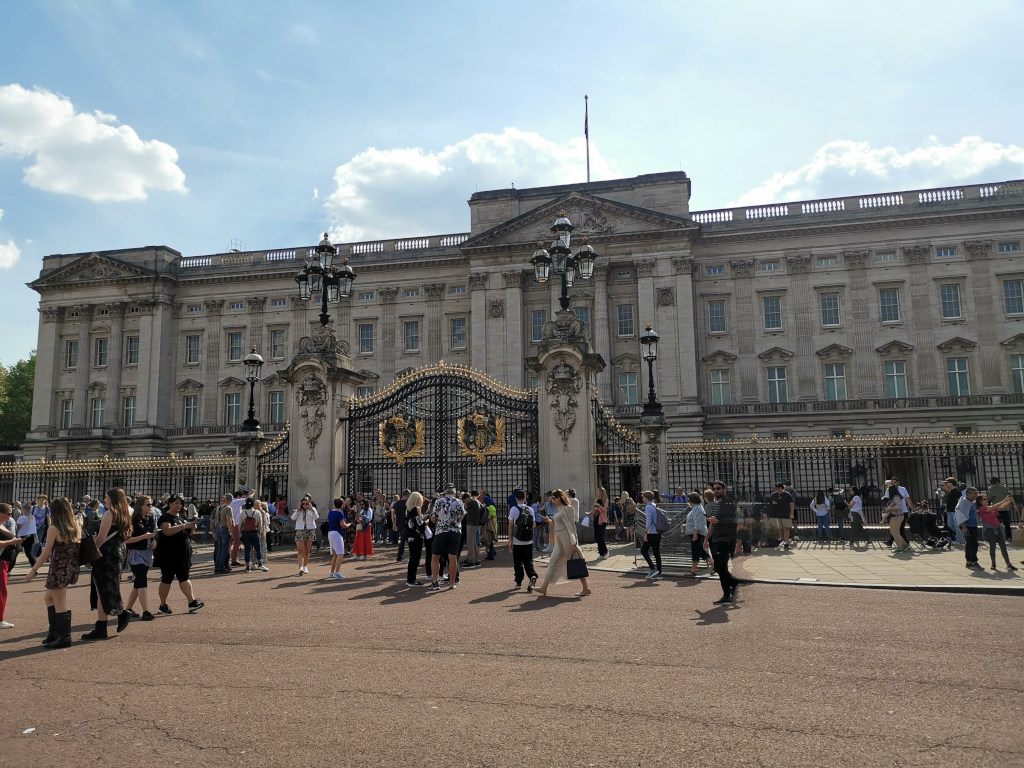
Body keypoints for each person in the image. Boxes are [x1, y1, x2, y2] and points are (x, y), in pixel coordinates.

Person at [25, 497, 81, 648]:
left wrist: (33, 571)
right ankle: (55, 633)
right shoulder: (75, 525)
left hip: (58, 568)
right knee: (49, 598)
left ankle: (64, 637)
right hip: (70, 566)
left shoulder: (54, 528)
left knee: (60, 602)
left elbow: (45, 553)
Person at [80, 488, 132, 641]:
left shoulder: (110, 513)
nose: (105, 499)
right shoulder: (125, 513)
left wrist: (90, 555)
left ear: (113, 498)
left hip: (107, 553)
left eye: (107, 497)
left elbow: (101, 538)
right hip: (118, 551)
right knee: (108, 587)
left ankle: (119, 614)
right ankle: (101, 626)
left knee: (103, 588)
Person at [535, 489, 590, 597]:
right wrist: (550, 521)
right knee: (553, 561)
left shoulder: (568, 508)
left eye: (554, 498)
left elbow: (571, 527)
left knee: (575, 561)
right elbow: (558, 523)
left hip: (567, 538)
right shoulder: (558, 509)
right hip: (559, 538)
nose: (553, 501)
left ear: (559, 498)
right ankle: (544, 587)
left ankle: (586, 588)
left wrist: (574, 543)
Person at [155, 495, 205, 615]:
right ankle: (163, 604)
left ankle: (191, 602)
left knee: (184, 577)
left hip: (182, 552)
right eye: (176, 503)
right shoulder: (165, 517)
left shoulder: (181, 516)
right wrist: (184, 526)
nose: (179, 505)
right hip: (169, 553)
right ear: (170, 504)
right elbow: (167, 531)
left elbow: (187, 533)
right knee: (167, 579)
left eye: (180, 503)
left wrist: (192, 527)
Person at [121, 494, 159, 622]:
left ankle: (127, 609)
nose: (150, 507)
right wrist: (145, 537)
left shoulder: (149, 518)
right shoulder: (134, 520)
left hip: (147, 552)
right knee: (142, 581)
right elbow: (127, 539)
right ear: (140, 506)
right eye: (148, 504)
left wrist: (154, 540)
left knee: (138, 583)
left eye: (151, 504)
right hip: (135, 553)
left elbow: (153, 533)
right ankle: (146, 611)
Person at [706, 480, 739, 605]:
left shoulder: (729, 503)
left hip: (726, 539)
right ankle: (730, 589)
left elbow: (733, 521)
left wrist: (718, 522)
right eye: (714, 489)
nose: (716, 491)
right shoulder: (715, 505)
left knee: (719, 567)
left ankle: (731, 589)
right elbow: (712, 524)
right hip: (716, 539)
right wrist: (705, 539)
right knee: (721, 567)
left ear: (724, 490)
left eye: (718, 488)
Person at [427, 483, 465, 592]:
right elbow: (462, 517)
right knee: (452, 557)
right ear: (454, 492)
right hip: (455, 531)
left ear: (445, 491)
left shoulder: (439, 501)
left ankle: (435, 582)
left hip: (441, 531)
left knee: (435, 557)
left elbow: (433, 518)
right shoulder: (459, 502)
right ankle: (452, 583)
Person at [976, 492, 1017, 571]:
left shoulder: (990, 508)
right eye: (984, 499)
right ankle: (993, 564)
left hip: (997, 527)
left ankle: (1008, 564)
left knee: (1003, 546)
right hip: (990, 529)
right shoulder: (981, 509)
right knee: (993, 546)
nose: (986, 500)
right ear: (980, 502)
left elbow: (1000, 507)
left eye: (986, 499)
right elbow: (994, 507)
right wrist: (1005, 500)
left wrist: (1009, 501)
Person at [508, 489, 539, 591]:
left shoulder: (513, 509)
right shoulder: (530, 509)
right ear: (525, 498)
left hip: (517, 540)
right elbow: (534, 525)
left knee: (518, 562)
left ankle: (519, 581)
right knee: (528, 561)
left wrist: (510, 540)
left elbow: (511, 525)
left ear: (516, 498)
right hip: (528, 540)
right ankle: (532, 576)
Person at [0, 504, 23, 629]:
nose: (11, 516)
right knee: (1, 590)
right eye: (8, 513)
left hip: (5, 562)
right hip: (1, 562)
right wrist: (12, 542)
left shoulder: (2, 525)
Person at [684, 492, 711, 576]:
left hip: (696, 533)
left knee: (695, 551)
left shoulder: (696, 509)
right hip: (700, 532)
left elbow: (697, 522)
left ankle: (693, 569)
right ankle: (714, 566)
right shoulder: (699, 507)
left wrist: (695, 533)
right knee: (701, 552)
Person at [954, 487, 982, 570]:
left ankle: (969, 561)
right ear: (968, 494)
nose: (975, 495)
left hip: (973, 525)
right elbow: (960, 514)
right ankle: (974, 562)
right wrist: (963, 526)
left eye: (976, 493)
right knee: (973, 544)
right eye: (973, 493)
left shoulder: (971, 502)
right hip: (967, 526)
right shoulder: (963, 502)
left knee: (969, 544)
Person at [291, 495, 319, 575]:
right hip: (300, 531)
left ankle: (305, 566)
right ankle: (300, 567)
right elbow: (293, 518)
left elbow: (316, 517)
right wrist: (298, 509)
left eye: (306, 503)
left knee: (307, 550)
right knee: (300, 550)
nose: (305, 505)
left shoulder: (312, 510)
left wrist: (311, 509)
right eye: (303, 504)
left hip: (310, 531)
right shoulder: (298, 511)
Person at [239, 498, 269, 573]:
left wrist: (240, 533)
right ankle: (260, 563)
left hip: (246, 533)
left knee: (247, 550)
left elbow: (240, 525)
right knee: (258, 549)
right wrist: (259, 532)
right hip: (255, 533)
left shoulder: (243, 513)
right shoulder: (257, 512)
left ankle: (248, 566)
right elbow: (260, 524)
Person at [640, 491, 663, 580]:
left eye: (643, 497)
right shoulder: (654, 505)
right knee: (656, 553)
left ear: (646, 498)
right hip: (657, 532)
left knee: (643, 550)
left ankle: (653, 569)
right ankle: (659, 572)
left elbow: (648, 521)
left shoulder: (648, 507)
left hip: (652, 532)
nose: (642, 499)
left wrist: (645, 533)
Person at [883, 481, 911, 553]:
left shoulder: (896, 497)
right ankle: (904, 545)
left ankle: (899, 547)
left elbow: (899, 507)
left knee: (895, 533)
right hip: (894, 516)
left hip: (897, 517)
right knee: (895, 532)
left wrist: (889, 508)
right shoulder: (892, 498)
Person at [765, 482, 795, 549]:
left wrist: (792, 513)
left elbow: (792, 504)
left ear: (782, 488)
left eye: (779, 488)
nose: (778, 490)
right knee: (778, 529)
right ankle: (778, 541)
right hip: (776, 514)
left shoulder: (787, 494)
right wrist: (772, 504)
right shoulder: (773, 495)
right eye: (777, 488)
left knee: (786, 528)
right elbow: (769, 505)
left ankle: (786, 542)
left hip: (785, 513)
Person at [327, 497, 351, 580]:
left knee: (335, 554)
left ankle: (332, 572)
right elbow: (343, 525)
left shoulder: (331, 512)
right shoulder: (340, 513)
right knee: (340, 553)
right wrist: (349, 525)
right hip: (337, 533)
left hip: (330, 532)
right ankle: (337, 572)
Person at [985, 477, 1014, 542]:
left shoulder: (1003, 488)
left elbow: (1010, 497)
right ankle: (1002, 537)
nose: (994, 485)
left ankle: (1007, 537)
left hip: (1002, 508)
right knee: (997, 524)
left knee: (1005, 524)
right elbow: (989, 499)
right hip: (997, 509)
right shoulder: (992, 489)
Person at [212, 494, 234, 573]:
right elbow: (229, 521)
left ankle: (217, 566)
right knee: (225, 550)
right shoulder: (228, 508)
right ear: (230, 500)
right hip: (225, 529)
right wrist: (231, 531)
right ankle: (221, 567)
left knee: (220, 549)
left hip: (218, 528)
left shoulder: (218, 508)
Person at [462, 491, 484, 569]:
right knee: (473, 542)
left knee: (470, 542)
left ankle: (472, 561)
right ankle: (476, 559)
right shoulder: (476, 501)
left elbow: (463, 507)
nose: (465, 502)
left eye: (465, 500)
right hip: (476, 524)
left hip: (471, 524)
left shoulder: (471, 502)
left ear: (467, 498)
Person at [941, 478, 964, 544]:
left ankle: (960, 539)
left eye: (947, 482)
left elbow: (960, 500)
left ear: (951, 483)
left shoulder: (957, 491)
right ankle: (961, 535)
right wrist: (946, 508)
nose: (946, 484)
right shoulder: (950, 491)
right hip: (949, 510)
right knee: (950, 524)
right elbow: (949, 501)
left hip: (955, 510)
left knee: (956, 525)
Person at [15, 503, 38, 569]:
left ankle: (35, 565)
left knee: (17, 552)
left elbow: (18, 528)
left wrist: (16, 536)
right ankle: (35, 565)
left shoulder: (22, 518)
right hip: (32, 536)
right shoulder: (32, 517)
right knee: (29, 552)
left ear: (24, 510)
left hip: (23, 536)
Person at [592, 486, 609, 558]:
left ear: (602, 492)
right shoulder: (596, 499)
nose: (597, 493)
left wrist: (599, 505)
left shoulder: (606, 500)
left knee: (600, 536)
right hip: (596, 518)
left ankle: (605, 551)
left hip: (602, 520)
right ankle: (601, 553)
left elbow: (605, 510)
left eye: (598, 491)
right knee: (597, 537)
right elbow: (594, 508)